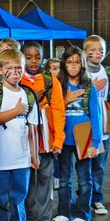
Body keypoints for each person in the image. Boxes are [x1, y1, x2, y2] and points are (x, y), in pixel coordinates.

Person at [0, 49, 39, 221]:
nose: (15, 72)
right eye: (10, 68)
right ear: (0, 70)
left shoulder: (28, 95)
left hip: (21, 157)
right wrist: (16, 111)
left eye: (19, 68)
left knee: (19, 195)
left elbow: (32, 127)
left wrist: (34, 155)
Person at [53, 46, 102, 221]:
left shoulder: (89, 88)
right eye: (69, 62)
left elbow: (96, 117)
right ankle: (64, 213)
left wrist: (95, 143)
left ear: (82, 63)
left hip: (84, 139)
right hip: (64, 139)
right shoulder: (58, 86)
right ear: (64, 64)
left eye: (76, 62)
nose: (73, 66)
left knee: (84, 179)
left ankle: (82, 214)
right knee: (64, 179)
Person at [20, 41, 65, 221]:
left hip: (46, 139)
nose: (33, 61)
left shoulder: (50, 80)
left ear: (43, 58)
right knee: (27, 181)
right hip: (23, 140)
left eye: (37, 57)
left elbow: (58, 110)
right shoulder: (17, 78)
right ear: (22, 57)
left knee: (45, 179)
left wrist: (58, 140)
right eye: (28, 57)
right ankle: (29, 220)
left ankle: (44, 219)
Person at [83, 35, 110, 215]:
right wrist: (92, 88)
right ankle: (83, 199)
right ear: (85, 52)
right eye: (93, 50)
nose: (98, 53)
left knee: (99, 166)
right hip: (84, 128)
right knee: (83, 167)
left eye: (101, 50)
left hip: (103, 128)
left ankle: (96, 199)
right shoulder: (81, 71)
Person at [43, 57, 62, 190]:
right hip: (49, 127)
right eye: (54, 69)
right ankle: (55, 177)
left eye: (59, 68)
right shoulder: (47, 85)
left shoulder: (64, 84)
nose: (57, 71)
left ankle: (58, 176)